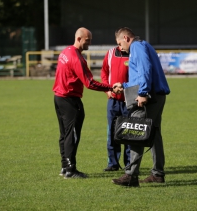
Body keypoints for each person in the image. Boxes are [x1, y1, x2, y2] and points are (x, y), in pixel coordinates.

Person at [53, 27, 122, 179]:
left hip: (59, 97)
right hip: (70, 100)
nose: (89, 43)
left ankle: (65, 167)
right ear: (79, 39)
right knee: (72, 135)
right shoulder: (76, 58)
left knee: (64, 134)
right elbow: (90, 83)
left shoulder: (65, 52)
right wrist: (111, 87)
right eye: (87, 40)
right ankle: (71, 170)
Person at [112, 27, 170, 187]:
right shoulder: (145, 45)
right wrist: (124, 85)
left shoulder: (136, 47)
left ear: (125, 38)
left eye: (119, 43)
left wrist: (143, 92)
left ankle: (131, 175)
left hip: (149, 96)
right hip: (158, 96)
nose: (119, 47)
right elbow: (140, 74)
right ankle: (157, 174)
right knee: (154, 134)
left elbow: (145, 70)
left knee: (135, 132)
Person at [101, 46, 131, 171]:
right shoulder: (110, 53)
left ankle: (129, 163)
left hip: (129, 101)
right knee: (112, 133)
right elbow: (104, 73)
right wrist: (107, 90)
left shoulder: (133, 53)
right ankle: (113, 163)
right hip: (113, 101)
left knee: (129, 133)